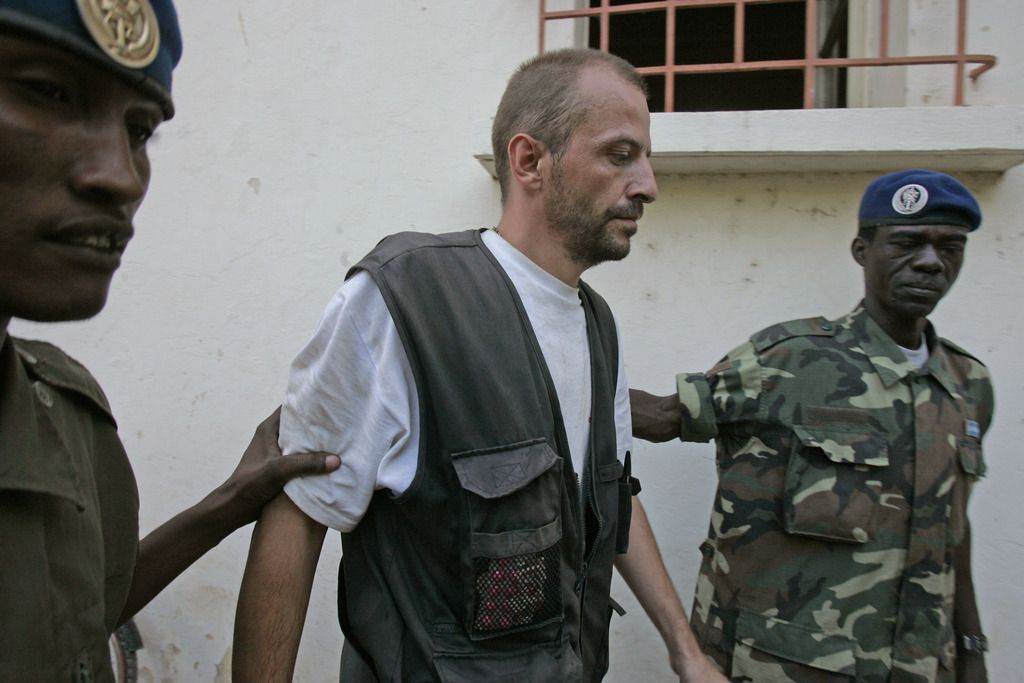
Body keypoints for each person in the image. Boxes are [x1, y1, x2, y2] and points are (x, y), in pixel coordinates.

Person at [233, 48, 724, 682]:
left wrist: (683, 649)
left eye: (646, 158)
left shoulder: (598, 325)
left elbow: (613, 491)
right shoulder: (405, 298)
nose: (648, 185)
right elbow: (298, 516)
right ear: (530, 161)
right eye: (619, 154)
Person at [0, 3, 338, 680]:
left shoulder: (60, 410)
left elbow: (78, 612)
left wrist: (230, 502)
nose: (121, 176)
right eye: (48, 91)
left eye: (140, 129)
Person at [631, 169, 993, 682]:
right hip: (780, 668)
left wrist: (972, 653)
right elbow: (660, 416)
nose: (931, 262)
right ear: (862, 250)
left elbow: (955, 530)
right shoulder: (790, 361)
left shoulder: (968, 384)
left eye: (950, 247)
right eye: (908, 243)